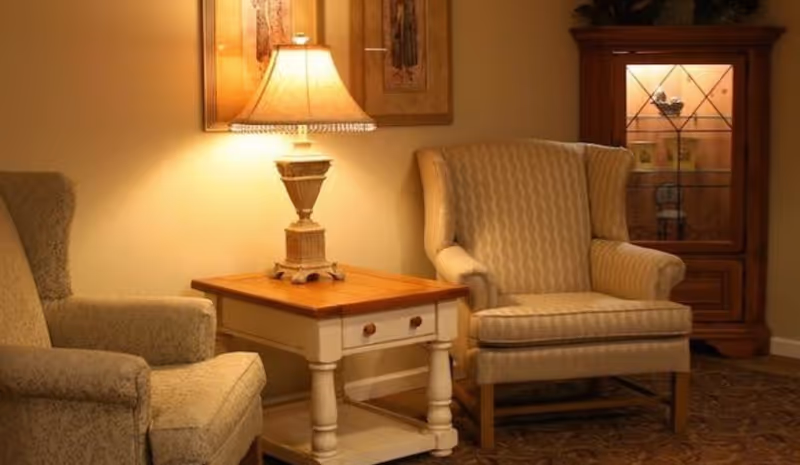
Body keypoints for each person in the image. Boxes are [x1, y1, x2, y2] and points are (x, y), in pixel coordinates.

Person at [391, 0, 418, 83]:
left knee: (408, 44)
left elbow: (412, 12)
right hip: (401, 19)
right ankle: (401, 68)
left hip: (408, 22)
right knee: (400, 43)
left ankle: (406, 68)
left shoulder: (410, 4)